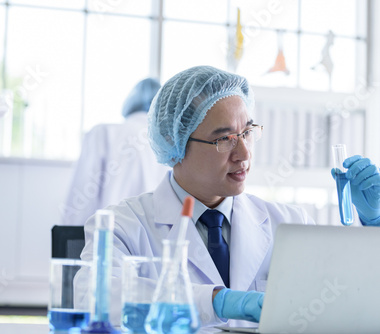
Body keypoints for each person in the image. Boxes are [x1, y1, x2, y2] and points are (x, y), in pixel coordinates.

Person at [77, 66, 380, 327]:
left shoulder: (288, 223)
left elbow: (348, 299)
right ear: (175, 143)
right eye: (224, 139)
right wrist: (217, 301)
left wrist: (373, 223)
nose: (244, 153)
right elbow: (93, 296)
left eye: (247, 132)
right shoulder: (123, 226)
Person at [61, 78, 169, 226]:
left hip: (107, 238)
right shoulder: (169, 143)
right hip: (153, 241)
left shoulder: (104, 133)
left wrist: (67, 240)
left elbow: (79, 202)